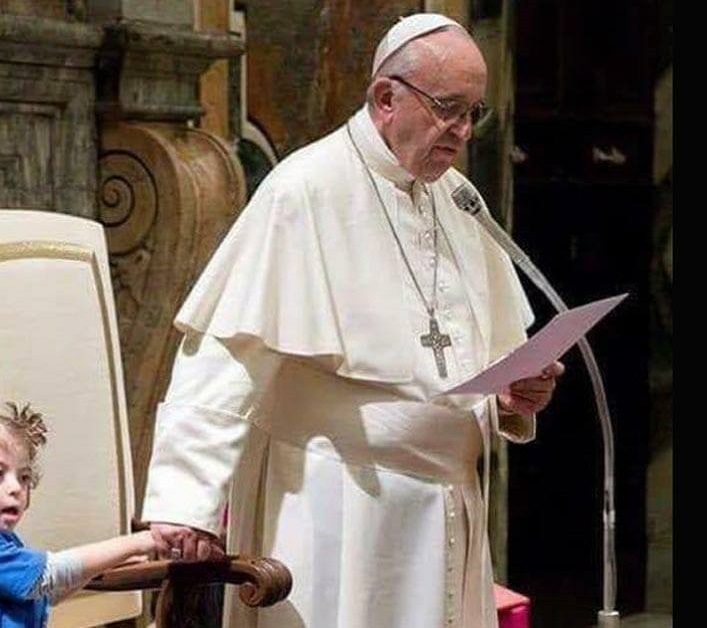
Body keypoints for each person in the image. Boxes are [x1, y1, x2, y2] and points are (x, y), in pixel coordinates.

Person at [139, 13, 565, 628]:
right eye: (449, 108)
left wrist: (507, 395)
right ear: (386, 98)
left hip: (447, 506)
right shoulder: (305, 190)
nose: (463, 131)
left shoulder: (457, 198)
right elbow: (227, 356)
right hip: (337, 506)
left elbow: (468, 355)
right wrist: (185, 502)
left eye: (475, 113)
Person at [0, 402, 157, 627]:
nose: (16, 487)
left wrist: (104, 564)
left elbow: (48, 592)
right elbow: (49, 576)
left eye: (24, 477)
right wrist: (140, 542)